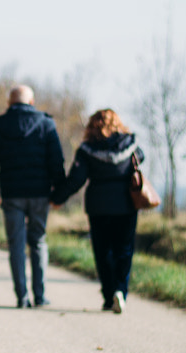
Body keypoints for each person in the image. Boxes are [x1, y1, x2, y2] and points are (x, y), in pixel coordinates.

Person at [0, 85, 66, 308]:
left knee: (16, 244)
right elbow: (57, 161)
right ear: (32, 101)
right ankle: (40, 295)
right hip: (40, 193)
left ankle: (22, 296)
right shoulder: (46, 123)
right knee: (38, 241)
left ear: (10, 103)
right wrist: (58, 192)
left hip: (11, 194)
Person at [52, 109, 144, 314]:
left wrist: (57, 199)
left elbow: (76, 179)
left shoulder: (87, 149)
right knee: (125, 250)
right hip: (126, 204)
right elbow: (141, 159)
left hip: (98, 206)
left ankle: (108, 295)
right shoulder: (131, 144)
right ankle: (120, 291)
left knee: (103, 252)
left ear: (92, 126)